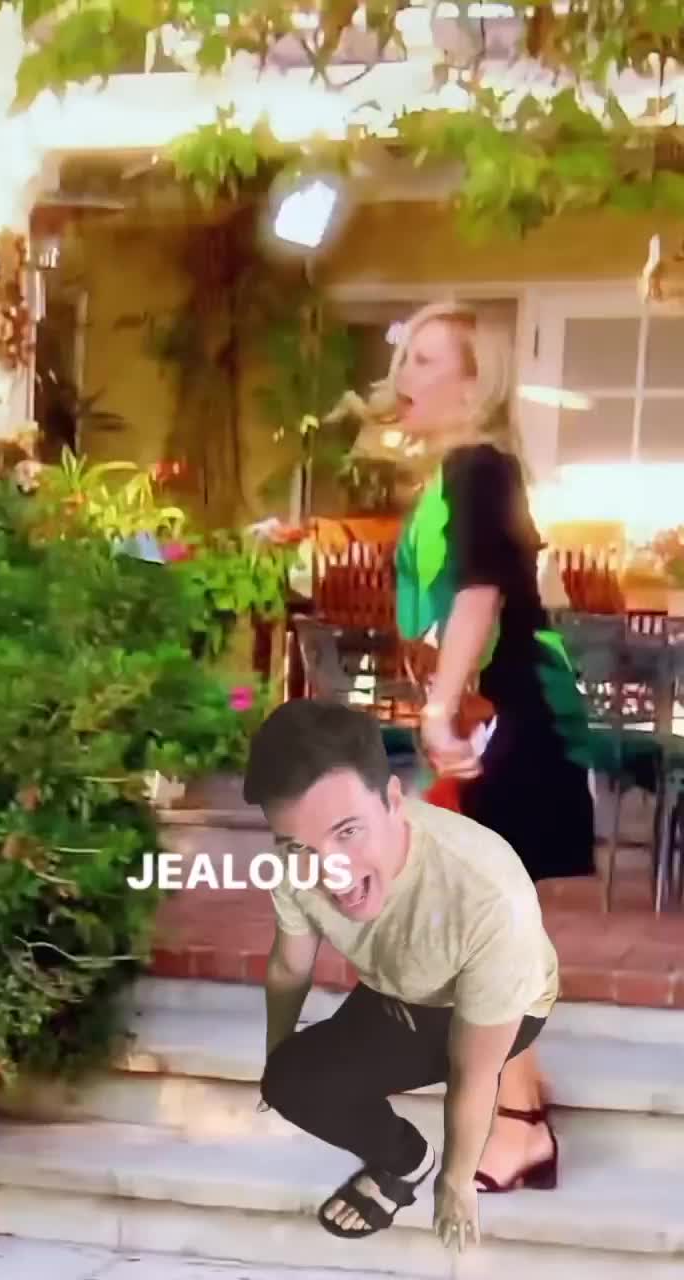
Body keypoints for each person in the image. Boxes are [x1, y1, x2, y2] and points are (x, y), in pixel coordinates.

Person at [373, 302, 594, 1192]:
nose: (406, 377)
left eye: (428, 361)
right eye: (408, 358)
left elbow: (478, 594)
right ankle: (519, 1107)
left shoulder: (478, 468)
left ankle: (520, 1122)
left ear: (477, 383)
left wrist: (439, 711)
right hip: (493, 717)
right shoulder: (465, 472)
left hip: (508, 721)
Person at [245, 699, 560, 1251]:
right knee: (291, 1080)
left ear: (394, 801)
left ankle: (413, 1170)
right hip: (398, 983)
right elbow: (290, 964)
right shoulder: (296, 864)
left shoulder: (487, 896)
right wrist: (279, 1049)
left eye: (348, 832)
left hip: (481, 1001)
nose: (331, 871)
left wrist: (456, 1181)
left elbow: (473, 1072)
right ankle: (407, 1158)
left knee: (463, 1051)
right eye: (299, 846)